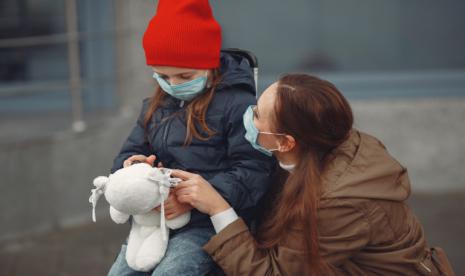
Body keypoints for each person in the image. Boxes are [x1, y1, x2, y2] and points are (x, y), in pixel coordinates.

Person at [172, 74, 455, 275]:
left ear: (285, 142)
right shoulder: (322, 143)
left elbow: (272, 272)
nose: (247, 117)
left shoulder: (336, 202)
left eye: (257, 114)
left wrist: (218, 208)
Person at [107, 0, 273, 275]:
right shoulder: (154, 107)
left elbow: (254, 171)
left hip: (206, 223)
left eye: (185, 75)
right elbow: (124, 157)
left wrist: (189, 199)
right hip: (153, 221)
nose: (173, 85)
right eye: (162, 76)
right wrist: (133, 166)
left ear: (210, 67)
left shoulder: (239, 106)